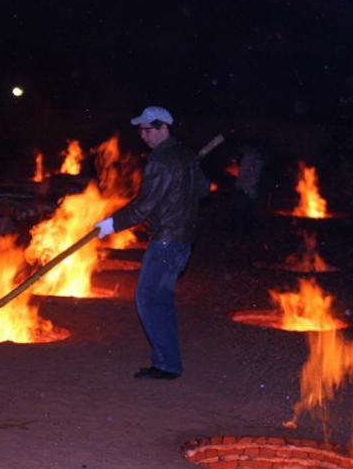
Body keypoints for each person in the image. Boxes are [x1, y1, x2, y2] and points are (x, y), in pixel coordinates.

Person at [94, 106, 208, 380]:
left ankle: (167, 364)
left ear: (162, 128)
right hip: (183, 241)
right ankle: (168, 361)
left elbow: (144, 205)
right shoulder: (183, 156)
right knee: (160, 299)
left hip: (167, 241)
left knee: (147, 297)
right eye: (141, 130)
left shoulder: (162, 161)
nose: (143, 136)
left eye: (147, 130)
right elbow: (204, 189)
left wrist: (111, 224)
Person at [230, 143, 263, 239]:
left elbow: (254, 177)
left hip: (247, 192)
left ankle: (245, 237)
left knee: (245, 215)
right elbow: (243, 174)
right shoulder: (248, 158)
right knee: (240, 214)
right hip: (244, 191)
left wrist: (242, 187)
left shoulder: (254, 159)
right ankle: (240, 236)